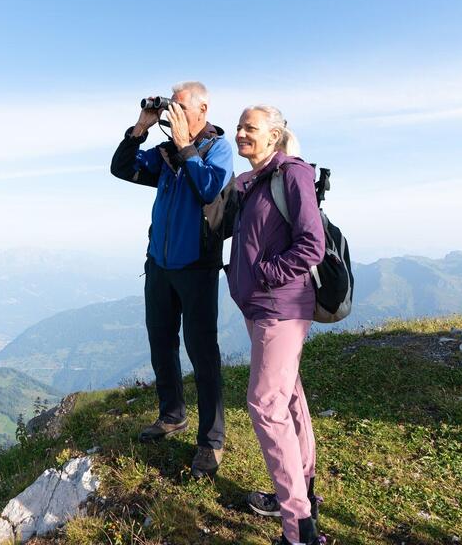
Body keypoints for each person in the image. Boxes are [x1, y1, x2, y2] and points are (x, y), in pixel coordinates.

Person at [110, 81, 234, 478]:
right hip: (160, 265)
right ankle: (172, 414)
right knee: (161, 341)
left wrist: (185, 146)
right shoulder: (164, 152)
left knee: (202, 352)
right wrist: (140, 128)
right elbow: (122, 168)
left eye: (180, 106)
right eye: (171, 106)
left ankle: (211, 441)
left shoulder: (219, 148)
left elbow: (210, 189)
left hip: (197, 266)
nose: (173, 113)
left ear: (203, 109)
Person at [226, 104, 325, 545]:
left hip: (279, 307)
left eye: (250, 127)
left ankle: (298, 529)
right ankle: (304, 496)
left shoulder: (292, 174)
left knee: (266, 405)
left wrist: (266, 274)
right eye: (239, 126)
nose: (240, 132)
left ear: (274, 135)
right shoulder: (255, 181)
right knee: (288, 399)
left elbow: (311, 244)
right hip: (261, 306)